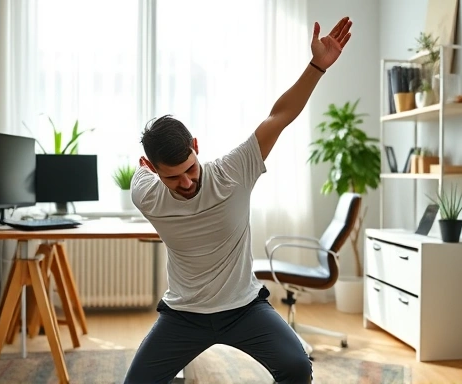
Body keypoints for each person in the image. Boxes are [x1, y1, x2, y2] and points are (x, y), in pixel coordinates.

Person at [125, 16, 352, 384]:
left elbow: (278, 117)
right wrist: (151, 176)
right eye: (172, 176)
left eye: (190, 168)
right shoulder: (145, 192)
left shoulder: (233, 171)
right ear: (152, 168)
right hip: (183, 314)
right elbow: (139, 173)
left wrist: (316, 67)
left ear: (196, 147)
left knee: (296, 367)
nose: (185, 182)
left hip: (243, 309)